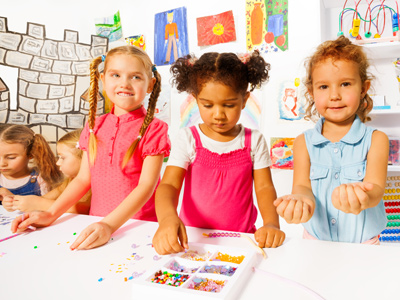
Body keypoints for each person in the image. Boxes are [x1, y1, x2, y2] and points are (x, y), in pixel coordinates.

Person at [11, 45, 171, 250]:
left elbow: (146, 186)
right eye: (116, 75)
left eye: (136, 77)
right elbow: (82, 179)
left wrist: (108, 225)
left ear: (151, 84)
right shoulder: (94, 125)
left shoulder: (155, 129)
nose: (125, 83)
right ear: (103, 80)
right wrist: (51, 214)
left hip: (139, 227)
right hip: (95, 225)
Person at [153, 51, 285, 255]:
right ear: (196, 100)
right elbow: (169, 185)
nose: (218, 114)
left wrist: (272, 224)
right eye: (208, 105)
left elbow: (265, 188)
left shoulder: (253, 140)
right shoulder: (188, 138)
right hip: (192, 239)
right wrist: (167, 218)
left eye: (229, 105)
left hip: (242, 240)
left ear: (244, 99)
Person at [273, 36, 389, 244]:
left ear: (363, 88)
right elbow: (302, 186)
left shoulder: (377, 140)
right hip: (316, 241)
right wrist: (300, 203)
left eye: (345, 84)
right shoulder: (302, 142)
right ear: (312, 92)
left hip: (364, 246)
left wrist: (362, 197)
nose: (334, 95)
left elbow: (376, 191)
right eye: (324, 87)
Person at [2, 129, 91, 214]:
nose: (58, 163)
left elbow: (83, 209)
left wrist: (39, 203)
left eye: (62, 158)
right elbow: (42, 199)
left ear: (84, 158)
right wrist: (15, 202)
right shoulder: (68, 183)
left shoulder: (94, 187)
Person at [0, 124, 62, 204]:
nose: (2, 163)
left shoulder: (40, 179)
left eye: (11, 157)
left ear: (30, 154)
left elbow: (48, 207)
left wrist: (13, 199)